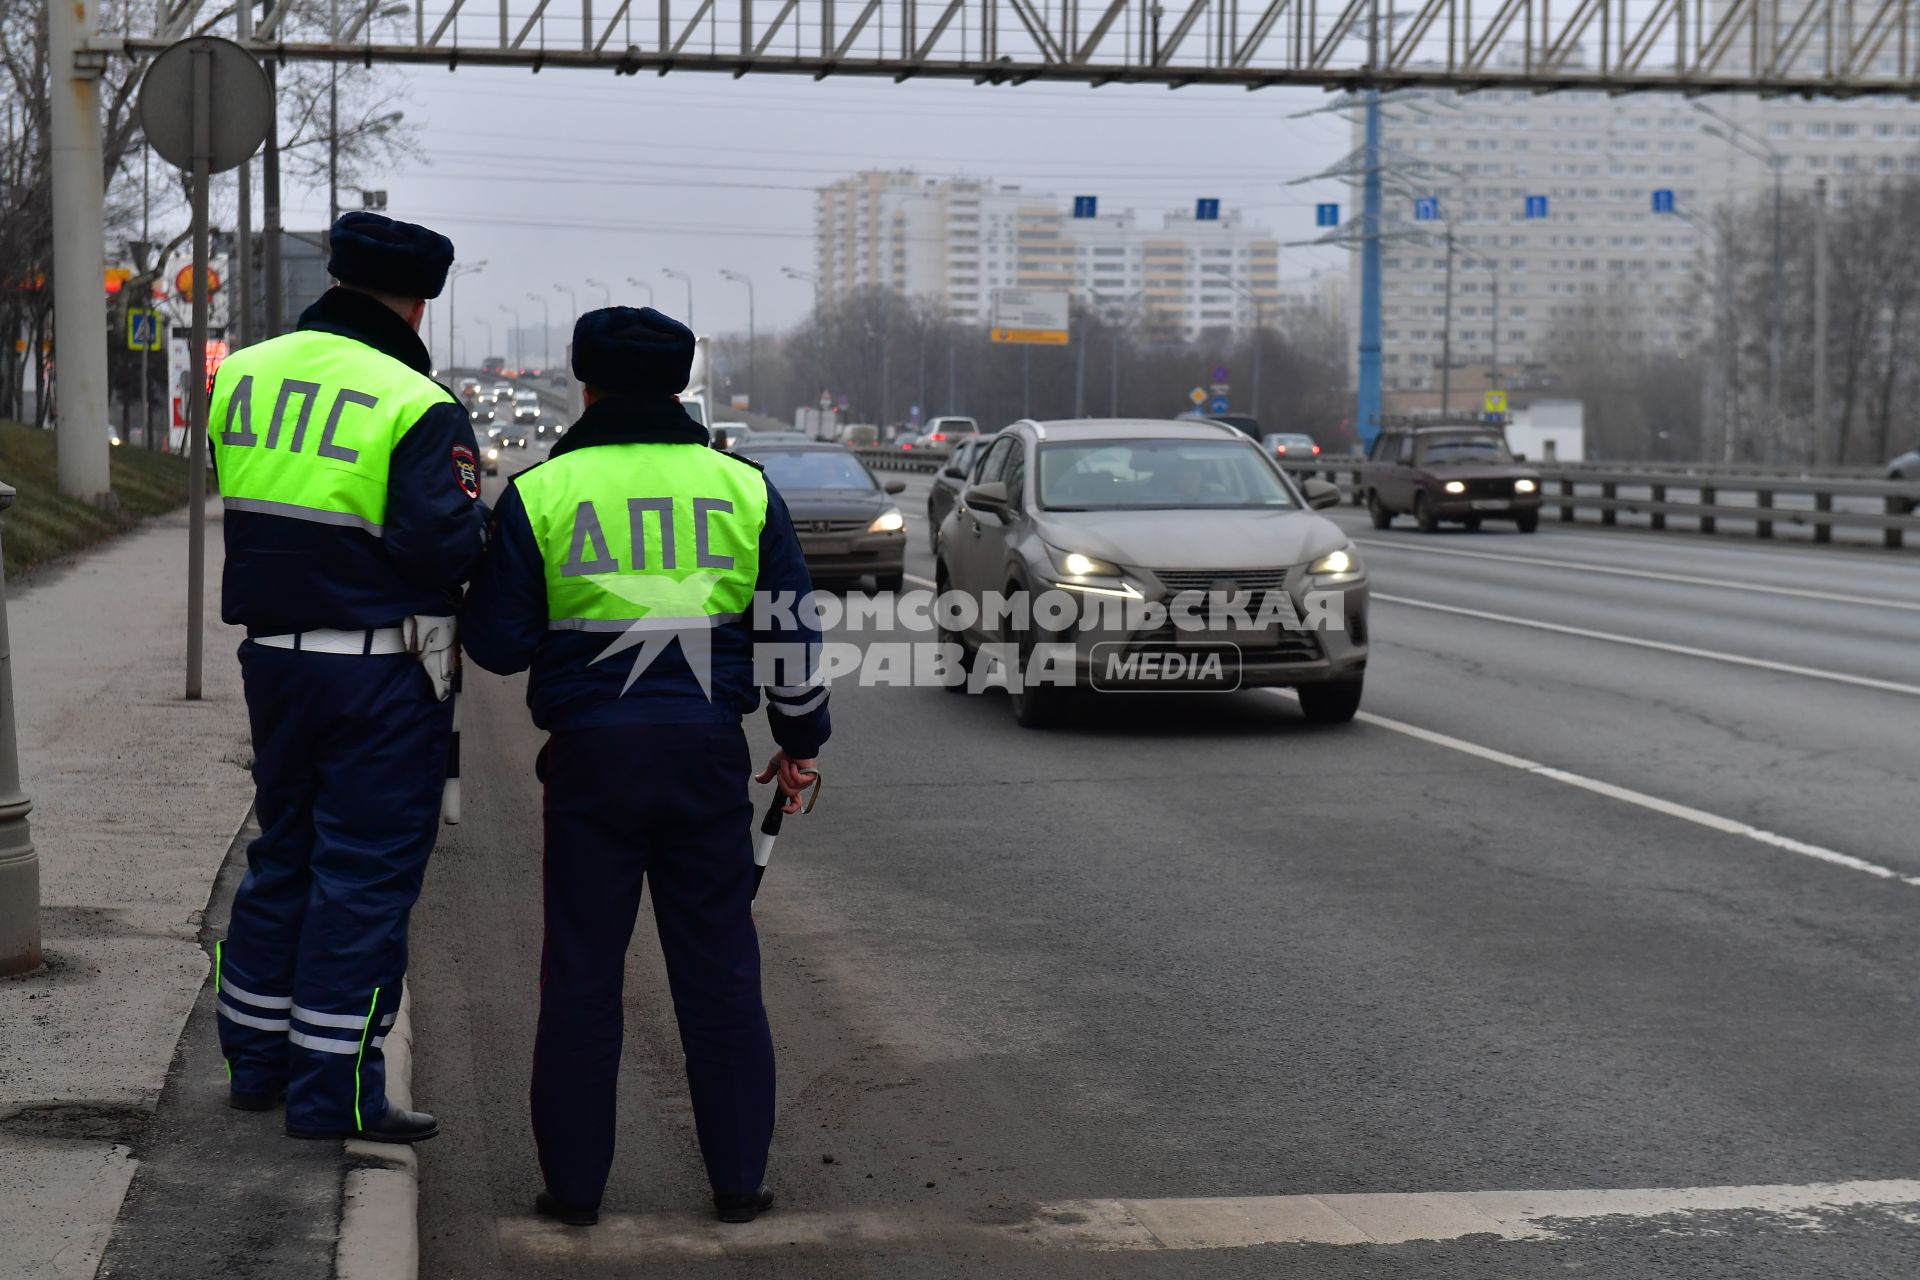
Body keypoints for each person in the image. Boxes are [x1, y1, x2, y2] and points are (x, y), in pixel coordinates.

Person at [461, 306, 829, 1228]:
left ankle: (575, 1192)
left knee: (582, 975)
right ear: (679, 384)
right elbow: (788, 628)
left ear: (584, 382)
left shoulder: (544, 493)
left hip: (590, 762)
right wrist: (801, 740)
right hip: (706, 757)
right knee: (720, 975)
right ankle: (738, 1184)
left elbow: (499, 648)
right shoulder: (743, 489)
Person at [209, 211, 487, 1144]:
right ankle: (339, 1095)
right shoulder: (414, 399)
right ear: (418, 305)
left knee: (282, 854)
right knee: (363, 877)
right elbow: (440, 546)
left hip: (272, 661)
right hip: (376, 675)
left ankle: (254, 1062)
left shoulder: (242, 372)